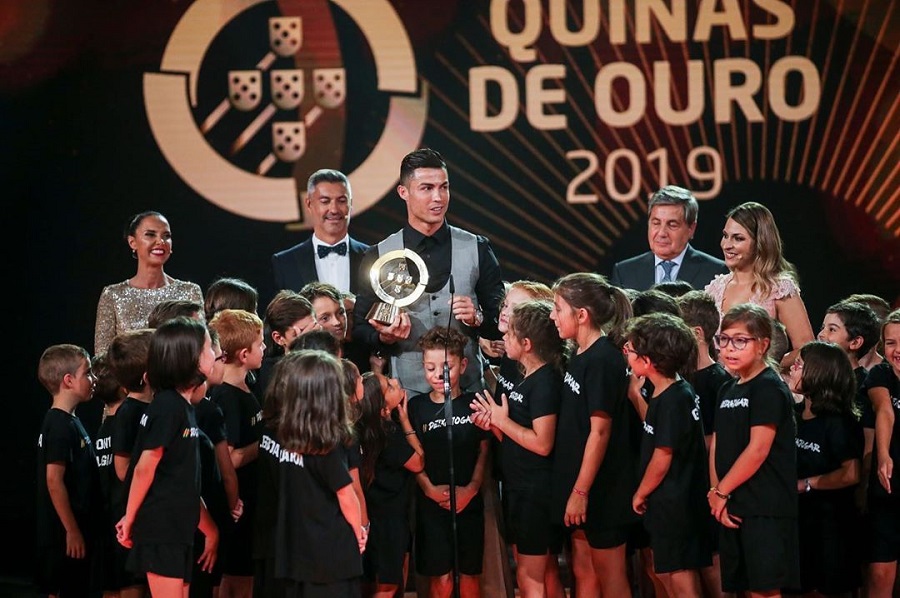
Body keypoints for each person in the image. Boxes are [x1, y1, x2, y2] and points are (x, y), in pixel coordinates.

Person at [353, 148, 505, 395]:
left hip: (469, 394)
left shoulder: (477, 248)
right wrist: (384, 338)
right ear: (403, 192)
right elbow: (360, 328)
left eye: (444, 187)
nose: (438, 197)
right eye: (427, 188)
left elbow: (500, 321)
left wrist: (477, 318)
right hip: (408, 396)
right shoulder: (379, 256)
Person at [549, 272, 638, 598]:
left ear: (582, 315)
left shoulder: (603, 359)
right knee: (583, 568)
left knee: (611, 577)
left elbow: (600, 431)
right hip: (581, 485)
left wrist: (581, 491)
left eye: (558, 309)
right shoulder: (580, 353)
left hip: (603, 489)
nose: (552, 316)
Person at [115, 317, 219, 597]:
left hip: (178, 530)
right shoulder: (167, 406)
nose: (215, 353)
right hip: (161, 530)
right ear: (190, 358)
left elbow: (183, 481)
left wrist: (209, 529)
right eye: (209, 348)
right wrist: (129, 518)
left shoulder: (183, 407)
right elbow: (144, 468)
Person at [471, 299, 567, 598]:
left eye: (510, 334)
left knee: (530, 576)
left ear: (527, 344)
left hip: (536, 493)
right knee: (540, 571)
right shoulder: (528, 377)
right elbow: (517, 439)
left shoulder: (545, 382)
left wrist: (502, 420)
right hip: (521, 487)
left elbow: (542, 443)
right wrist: (493, 423)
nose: (504, 337)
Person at [707, 304, 800, 597]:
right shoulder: (727, 388)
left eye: (740, 341)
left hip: (765, 507)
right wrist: (716, 493)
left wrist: (722, 492)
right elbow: (717, 443)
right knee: (745, 588)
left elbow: (758, 449)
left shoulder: (769, 388)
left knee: (765, 590)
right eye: (724, 339)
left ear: (762, 345)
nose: (729, 348)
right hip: (732, 503)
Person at [624, 313, 711, 597]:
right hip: (670, 502)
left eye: (630, 349)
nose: (626, 352)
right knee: (666, 570)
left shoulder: (675, 398)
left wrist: (640, 493)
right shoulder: (668, 392)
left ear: (648, 361)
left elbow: (663, 456)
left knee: (680, 573)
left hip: (677, 503)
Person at [267, 350, 366, 595]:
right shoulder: (325, 447)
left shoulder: (285, 439)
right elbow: (346, 495)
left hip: (297, 552)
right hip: (331, 557)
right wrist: (359, 533)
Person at [407, 326, 491, 598]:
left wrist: (472, 488)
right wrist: (429, 489)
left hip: (469, 501)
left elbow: (484, 449)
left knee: (469, 576)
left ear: (463, 365)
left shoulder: (475, 401)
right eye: (430, 368)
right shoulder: (417, 407)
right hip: (432, 504)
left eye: (447, 367)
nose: (438, 375)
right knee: (441, 579)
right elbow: (412, 454)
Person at [787, 341, 863, 596]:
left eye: (799, 365)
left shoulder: (839, 422)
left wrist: (806, 484)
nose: (792, 369)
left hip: (831, 526)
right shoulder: (794, 414)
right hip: (799, 523)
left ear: (819, 373)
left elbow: (851, 473)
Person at [704, 201, 815, 368]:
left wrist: (767, 367)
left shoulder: (778, 288)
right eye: (725, 236)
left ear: (760, 242)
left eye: (738, 238)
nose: (726, 245)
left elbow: (807, 348)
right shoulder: (715, 288)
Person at [207, 309, 266, 598]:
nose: (265, 348)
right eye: (260, 343)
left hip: (252, 499)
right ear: (244, 354)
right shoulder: (227, 398)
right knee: (237, 575)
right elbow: (227, 459)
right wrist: (266, 444)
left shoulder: (246, 386)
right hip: (238, 503)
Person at [35, 343, 101, 598]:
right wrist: (72, 531)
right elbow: (54, 480)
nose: (94, 379)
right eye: (88, 373)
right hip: (62, 537)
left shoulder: (68, 421)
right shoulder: (60, 425)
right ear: (68, 380)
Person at [94, 210, 203, 354]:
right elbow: (102, 356)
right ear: (132, 242)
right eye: (150, 235)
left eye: (166, 236)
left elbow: (201, 347)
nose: (160, 241)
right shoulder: (112, 295)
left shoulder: (189, 292)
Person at [357, 371, 425, 598]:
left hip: (371, 515)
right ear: (384, 410)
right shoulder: (388, 434)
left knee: (370, 582)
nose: (396, 381)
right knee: (389, 585)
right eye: (390, 386)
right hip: (390, 520)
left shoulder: (362, 429)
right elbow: (419, 461)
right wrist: (405, 421)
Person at [191, 328, 242, 598]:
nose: (221, 362)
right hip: (209, 511)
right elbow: (227, 470)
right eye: (220, 356)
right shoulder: (209, 411)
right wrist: (232, 506)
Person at [105, 329, 155, 598]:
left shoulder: (155, 407)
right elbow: (122, 469)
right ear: (147, 376)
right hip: (130, 512)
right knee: (133, 582)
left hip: (147, 509)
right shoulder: (128, 413)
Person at [271, 168, 370, 296]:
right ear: (309, 204)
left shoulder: (373, 257)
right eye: (325, 201)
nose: (334, 210)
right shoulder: (285, 262)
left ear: (350, 204)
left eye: (341, 201)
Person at [610, 185, 727, 292]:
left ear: (691, 228)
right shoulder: (624, 272)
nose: (662, 233)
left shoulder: (716, 273)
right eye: (656, 223)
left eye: (672, 225)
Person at [861, 309, 900, 598]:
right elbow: (884, 411)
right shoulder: (880, 374)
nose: (897, 350)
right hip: (888, 486)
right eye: (890, 343)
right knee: (879, 573)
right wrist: (884, 455)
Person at [254, 290, 317, 402]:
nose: (311, 337)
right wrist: (300, 350)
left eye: (313, 327)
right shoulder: (271, 369)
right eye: (301, 331)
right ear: (278, 338)